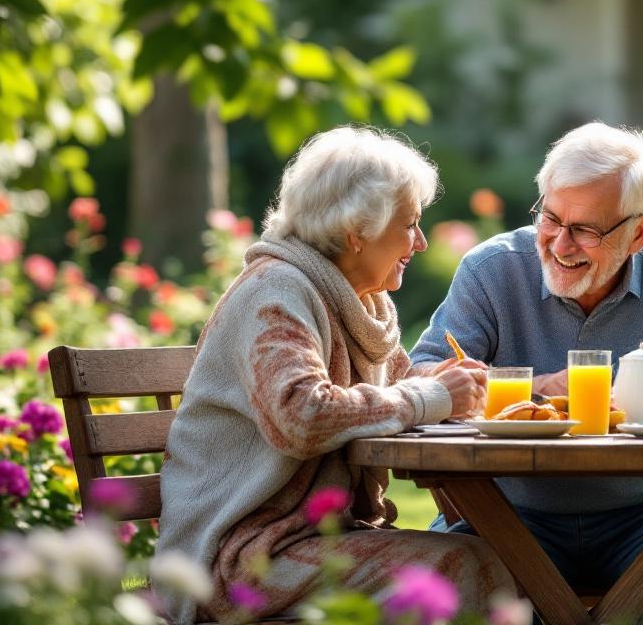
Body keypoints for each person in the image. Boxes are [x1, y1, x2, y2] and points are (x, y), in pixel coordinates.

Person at [409, 121, 643, 624]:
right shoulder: (493, 268)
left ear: (639, 231)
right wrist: (536, 390)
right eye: (551, 219)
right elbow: (422, 371)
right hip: (507, 510)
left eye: (586, 230)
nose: (560, 244)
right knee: (456, 580)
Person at [155, 126, 513, 624]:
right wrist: (431, 394)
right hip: (236, 561)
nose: (423, 242)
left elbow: (402, 389)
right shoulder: (276, 291)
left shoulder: (358, 303)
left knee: (491, 552)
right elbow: (301, 415)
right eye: (409, 225)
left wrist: (449, 386)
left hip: (313, 541)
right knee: (461, 563)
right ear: (357, 231)